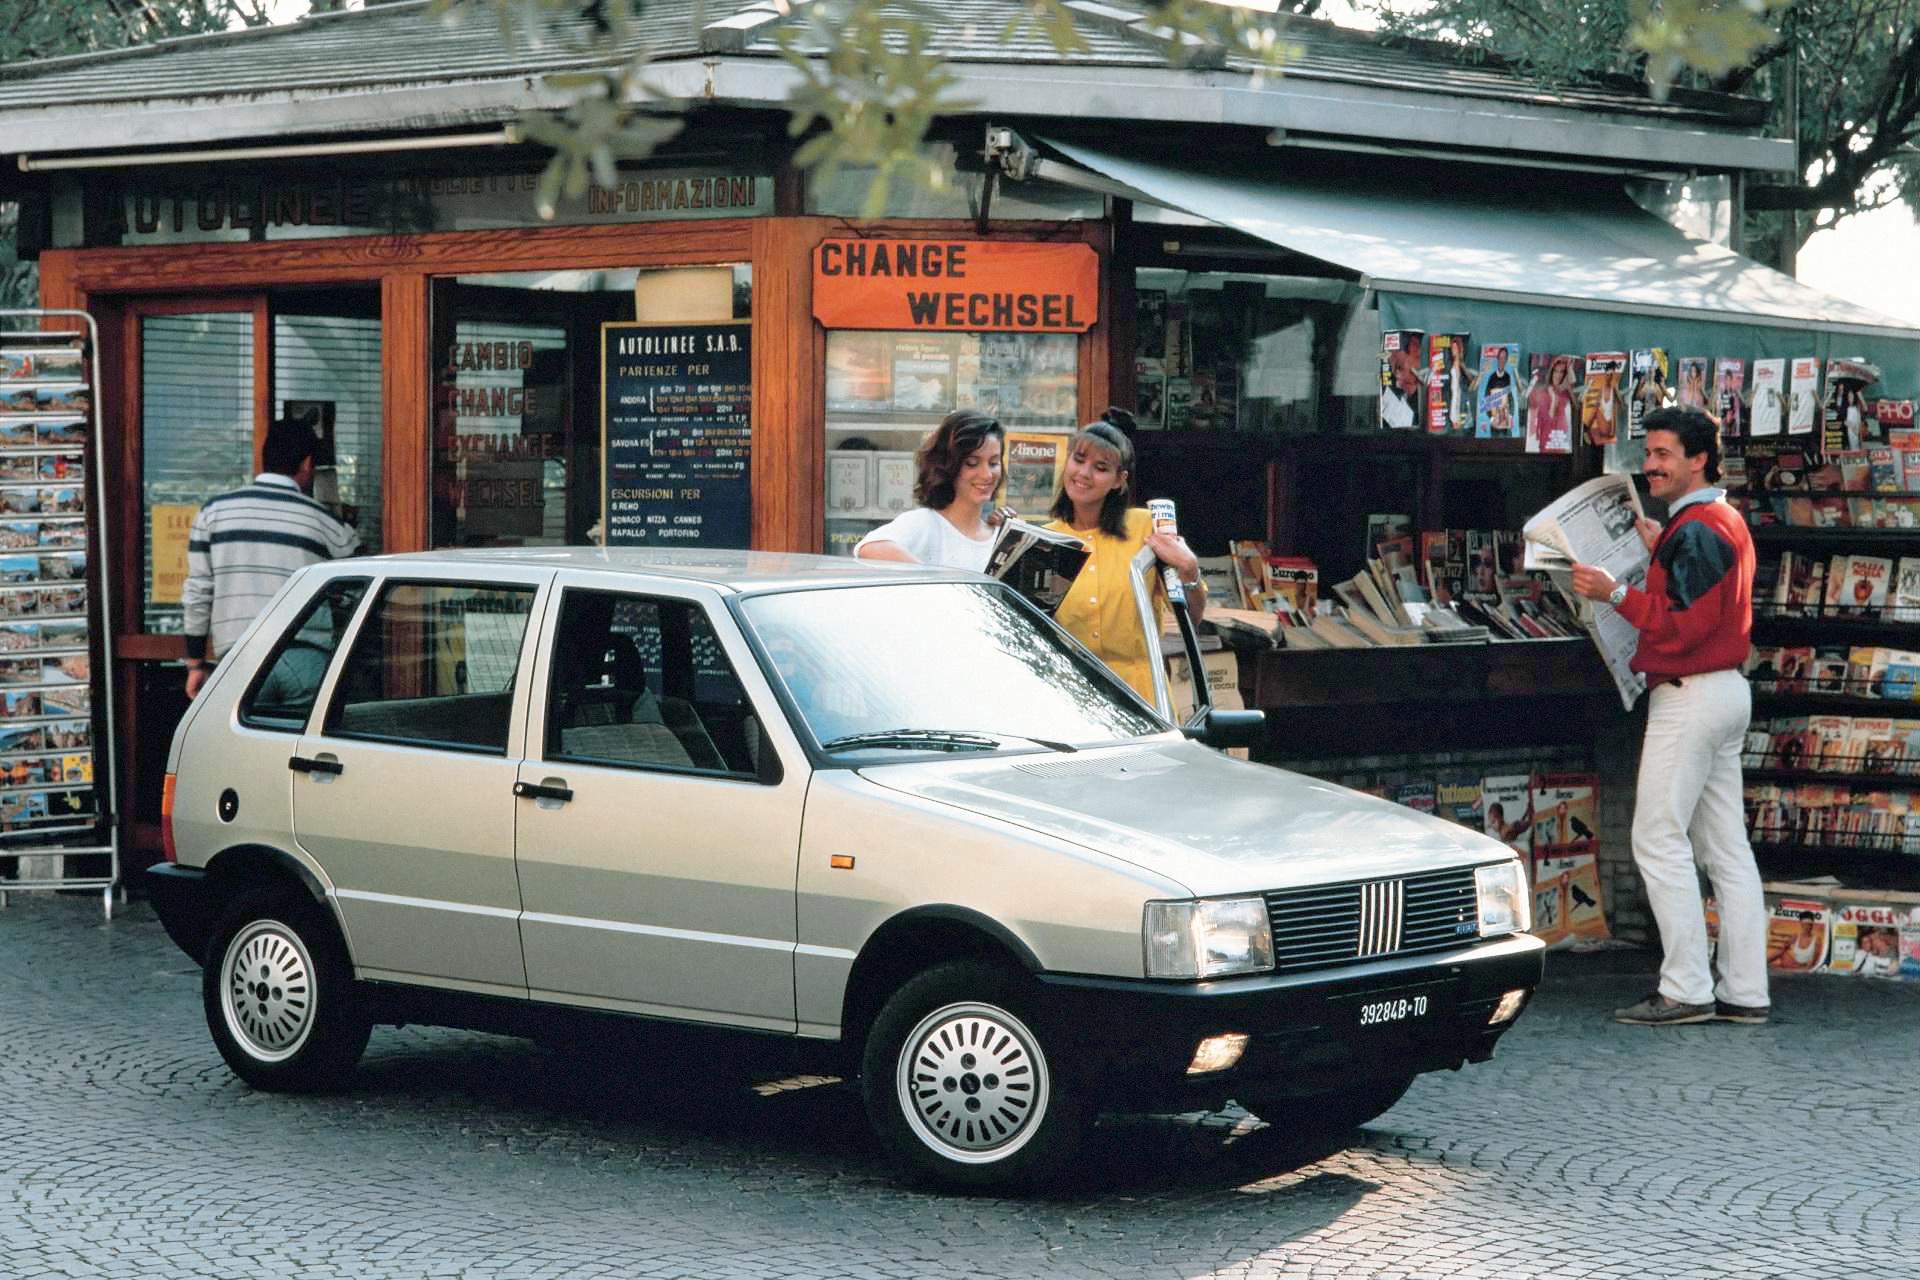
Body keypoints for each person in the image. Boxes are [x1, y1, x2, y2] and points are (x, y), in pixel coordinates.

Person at [1569, 405, 1768, 1027]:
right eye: (1649, 454)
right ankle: (1745, 991)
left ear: (1698, 459)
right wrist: (1659, 555)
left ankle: (1685, 988)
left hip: (1690, 694)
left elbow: (1680, 626)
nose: (1650, 466)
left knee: (1657, 839)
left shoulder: (1699, 527)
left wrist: (1616, 593)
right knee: (1727, 851)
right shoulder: (1714, 521)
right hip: (1724, 690)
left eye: (1662, 455)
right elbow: (1696, 605)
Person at [182, 417, 361, 699]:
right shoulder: (325, 522)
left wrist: (195, 663)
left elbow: (197, 593)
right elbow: (355, 593)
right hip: (307, 659)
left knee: (240, 743)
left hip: (239, 661)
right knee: (303, 744)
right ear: (307, 463)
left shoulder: (213, 513)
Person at [1042, 409, 1205, 704]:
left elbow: (1191, 617)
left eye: (1101, 467)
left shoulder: (1146, 527)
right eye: (1078, 460)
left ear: (1119, 480)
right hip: (1067, 700)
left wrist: (1189, 568)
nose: (1084, 474)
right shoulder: (1045, 541)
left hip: (1140, 700)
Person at [854, 408, 1006, 571]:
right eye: (972, 463)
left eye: (993, 463)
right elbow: (869, 549)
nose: (986, 475)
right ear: (947, 465)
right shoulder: (925, 523)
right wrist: (937, 582)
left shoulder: (1000, 537)